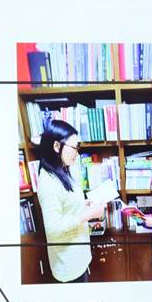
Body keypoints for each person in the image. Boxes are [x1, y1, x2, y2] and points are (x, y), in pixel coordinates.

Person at [35, 119, 106, 283]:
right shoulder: (48, 182)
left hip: (79, 257)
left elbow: (66, 205)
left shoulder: (63, 169)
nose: (77, 153)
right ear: (56, 146)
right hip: (68, 265)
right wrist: (88, 214)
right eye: (74, 148)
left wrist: (83, 205)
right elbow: (53, 229)